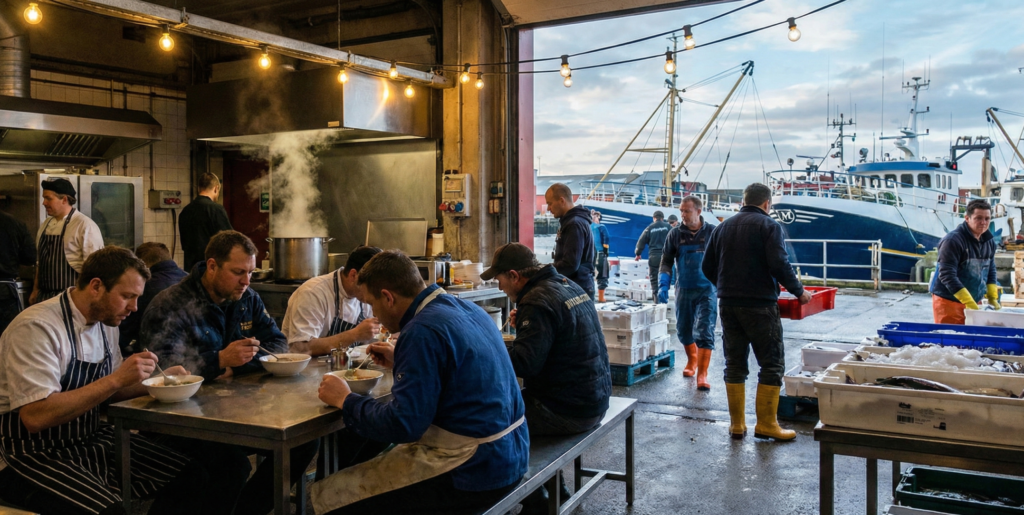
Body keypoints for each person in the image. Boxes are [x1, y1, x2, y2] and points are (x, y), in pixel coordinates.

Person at [313, 251, 528, 515]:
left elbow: (404, 424)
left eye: (372, 304)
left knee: (331, 495)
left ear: (388, 297)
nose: (374, 313)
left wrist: (345, 400)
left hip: (475, 467)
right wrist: (402, 360)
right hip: (514, 451)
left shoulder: (421, 330)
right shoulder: (466, 308)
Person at [0, 246, 212, 515]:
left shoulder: (106, 322)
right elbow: (35, 416)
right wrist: (116, 379)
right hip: (29, 453)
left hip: (88, 438)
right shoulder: (37, 328)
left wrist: (161, 381)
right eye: (127, 296)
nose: (134, 307)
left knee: (192, 477)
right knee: (111, 512)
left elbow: (109, 392)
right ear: (96, 286)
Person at [140, 230, 317, 515]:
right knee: (232, 465)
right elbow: (164, 372)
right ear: (212, 266)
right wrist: (219, 359)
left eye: (251, 272)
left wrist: (236, 365)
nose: (246, 281)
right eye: (238, 272)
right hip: (181, 419)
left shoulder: (248, 299)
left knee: (303, 443)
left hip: (239, 410)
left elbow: (277, 343)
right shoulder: (171, 305)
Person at [484, 243, 610, 513]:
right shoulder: (566, 284)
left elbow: (525, 364)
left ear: (515, 276)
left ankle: (535, 501)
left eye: (499, 279)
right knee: (512, 409)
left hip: (570, 410)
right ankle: (555, 492)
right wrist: (528, 327)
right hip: (595, 398)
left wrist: (487, 345)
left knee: (491, 422)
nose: (499, 287)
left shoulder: (536, 301)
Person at [701, 183, 811, 441]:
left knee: (734, 363)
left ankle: (737, 425)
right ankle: (766, 424)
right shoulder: (769, 226)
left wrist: (726, 286)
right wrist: (799, 291)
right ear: (766, 203)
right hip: (760, 305)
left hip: (728, 305)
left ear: (744, 201)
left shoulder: (722, 227)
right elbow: (779, 264)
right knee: (771, 363)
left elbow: (707, 266)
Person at [659, 196, 717, 390]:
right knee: (684, 330)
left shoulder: (712, 232)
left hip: (707, 289)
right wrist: (663, 283)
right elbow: (666, 260)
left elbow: (724, 259)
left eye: (687, 211)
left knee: (705, 330)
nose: (683, 215)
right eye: (681, 211)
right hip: (684, 288)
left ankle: (702, 374)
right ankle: (692, 360)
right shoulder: (674, 234)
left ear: (699, 211)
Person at [282, 246, 382, 356]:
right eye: (371, 285)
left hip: (346, 365)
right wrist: (355, 334)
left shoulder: (364, 296)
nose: (374, 292)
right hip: (309, 366)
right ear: (353, 275)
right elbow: (300, 348)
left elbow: (371, 339)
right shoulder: (313, 293)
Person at [30, 178, 104, 304]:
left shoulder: (84, 225)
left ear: (64, 199)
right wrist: (35, 290)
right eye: (44, 198)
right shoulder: (46, 224)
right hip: (44, 298)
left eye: (48, 198)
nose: (44, 203)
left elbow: (94, 269)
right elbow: (40, 263)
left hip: (71, 298)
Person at [929, 199, 1001, 324]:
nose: (983, 222)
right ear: (967, 218)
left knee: (974, 335)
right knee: (950, 335)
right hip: (949, 301)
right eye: (978, 218)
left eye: (987, 218)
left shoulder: (989, 241)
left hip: (974, 300)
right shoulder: (952, 240)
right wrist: (968, 301)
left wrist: (992, 297)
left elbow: (990, 269)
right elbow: (946, 275)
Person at [117, 242, 187, 355]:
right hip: (190, 351)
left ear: (143, 265)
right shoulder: (189, 279)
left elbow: (126, 329)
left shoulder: (146, 286)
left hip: (157, 353)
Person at [545, 183, 596, 299]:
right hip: (578, 285)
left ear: (562, 201)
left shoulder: (574, 224)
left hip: (577, 289)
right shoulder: (573, 221)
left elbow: (570, 265)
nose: (548, 208)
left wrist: (544, 270)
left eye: (550, 203)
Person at [178, 172, 232, 271]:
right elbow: (229, 240)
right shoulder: (216, 209)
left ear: (199, 188)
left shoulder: (185, 211)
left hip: (190, 270)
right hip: (210, 268)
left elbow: (184, 244)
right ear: (216, 188)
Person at [0, 210, 35, 335]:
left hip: (5, 290)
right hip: (4, 292)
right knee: (6, 338)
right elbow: (30, 257)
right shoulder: (14, 223)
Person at [635, 210, 671, 301]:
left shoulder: (649, 228)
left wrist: (638, 254)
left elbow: (641, 242)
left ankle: (656, 301)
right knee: (665, 278)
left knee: (654, 280)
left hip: (654, 257)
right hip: (666, 257)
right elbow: (675, 239)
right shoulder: (668, 227)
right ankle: (664, 301)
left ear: (654, 218)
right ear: (662, 218)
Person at [590, 210, 610, 303]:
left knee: (589, 275)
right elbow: (606, 238)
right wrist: (606, 251)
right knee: (603, 274)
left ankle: (590, 297)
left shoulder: (586, 227)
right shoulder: (601, 227)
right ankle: (601, 298)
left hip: (588, 255)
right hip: (600, 253)